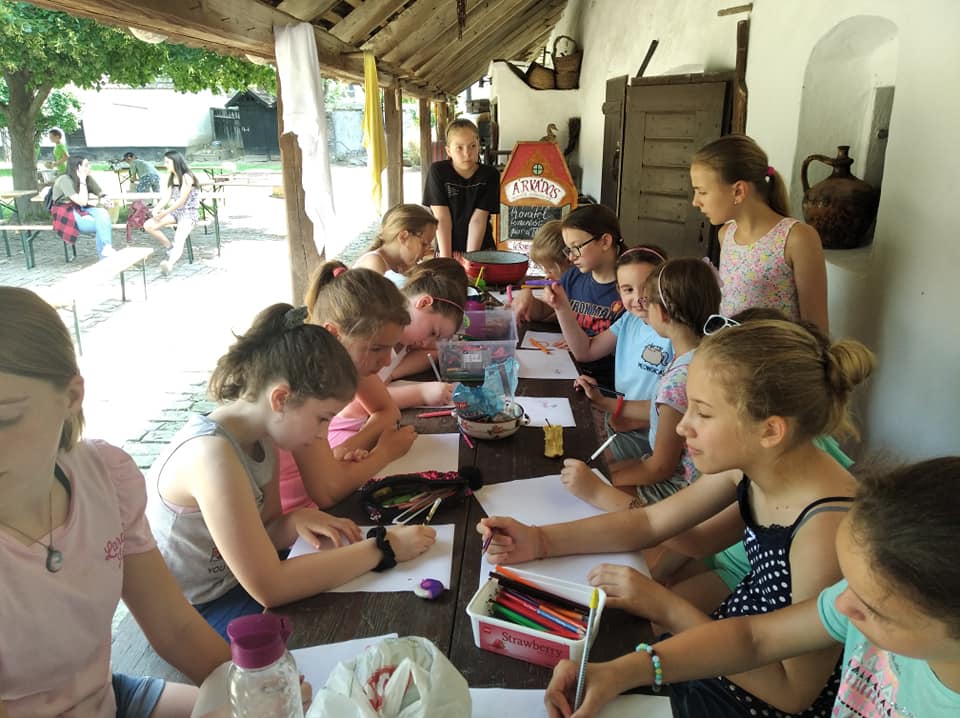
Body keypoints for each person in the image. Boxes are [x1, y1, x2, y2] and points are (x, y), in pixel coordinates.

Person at [480, 318, 875, 718]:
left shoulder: (827, 529)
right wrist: (539, 539)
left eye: (702, 413)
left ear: (770, 430)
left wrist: (665, 607)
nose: (683, 426)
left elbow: (791, 691)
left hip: (759, 692)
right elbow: (651, 523)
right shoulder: (756, 463)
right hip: (725, 644)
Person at [544, 457, 960, 718]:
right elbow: (754, 638)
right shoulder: (856, 603)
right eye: (849, 584)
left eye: (874, 609)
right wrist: (620, 671)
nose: (841, 604)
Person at [0, 286, 231, 718]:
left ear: (71, 398)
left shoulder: (104, 477)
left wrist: (256, 688)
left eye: (4, 418)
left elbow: (174, 627)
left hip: (106, 697)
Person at [148, 302, 435, 637]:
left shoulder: (261, 437)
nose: (323, 434)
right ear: (281, 399)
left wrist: (294, 519)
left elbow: (268, 529)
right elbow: (270, 587)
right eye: (322, 418)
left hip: (241, 583)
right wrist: (382, 548)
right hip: (201, 610)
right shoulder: (212, 456)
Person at [558, 257, 720, 509]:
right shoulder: (695, 356)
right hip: (664, 467)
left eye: (648, 300)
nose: (640, 304)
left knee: (584, 493)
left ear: (661, 313)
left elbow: (661, 468)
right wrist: (603, 401)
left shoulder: (679, 378)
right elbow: (660, 410)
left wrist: (605, 479)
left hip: (678, 487)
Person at [277, 264, 420, 513]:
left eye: (391, 347)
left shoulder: (348, 359)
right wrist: (384, 452)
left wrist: (347, 447)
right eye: (377, 349)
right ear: (334, 334)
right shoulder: (308, 384)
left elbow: (388, 411)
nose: (388, 360)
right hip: (294, 511)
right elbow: (328, 492)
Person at [545, 245, 670, 464]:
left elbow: (679, 402)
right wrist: (562, 308)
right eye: (628, 290)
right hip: (622, 418)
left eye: (646, 288)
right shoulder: (630, 319)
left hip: (653, 432)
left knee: (584, 460)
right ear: (618, 291)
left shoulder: (675, 332)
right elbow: (585, 351)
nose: (638, 298)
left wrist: (631, 418)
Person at [691, 134, 829, 333]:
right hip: (731, 349)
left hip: (777, 352)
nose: (695, 202)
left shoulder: (797, 238)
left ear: (738, 191)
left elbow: (816, 328)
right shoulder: (726, 235)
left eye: (702, 192)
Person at [512, 204, 625, 388]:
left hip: (606, 385)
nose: (571, 258)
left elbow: (596, 349)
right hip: (568, 369)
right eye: (568, 250)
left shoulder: (628, 291)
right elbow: (548, 312)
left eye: (576, 248)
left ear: (605, 242)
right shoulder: (574, 277)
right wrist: (528, 300)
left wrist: (578, 337)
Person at [423, 118, 500, 257]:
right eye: (459, 147)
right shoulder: (438, 171)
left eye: (472, 146)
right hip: (447, 248)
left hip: (481, 250)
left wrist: (471, 260)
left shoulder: (490, 175)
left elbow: (478, 220)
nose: (467, 153)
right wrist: (447, 260)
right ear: (448, 151)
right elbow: (442, 218)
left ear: (479, 146)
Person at [143, 150, 201, 276]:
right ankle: (170, 248)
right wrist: (156, 209)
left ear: (176, 162)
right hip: (176, 212)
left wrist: (165, 213)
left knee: (179, 238)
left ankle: (169, 264)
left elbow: (181, 200)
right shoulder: (171, 177)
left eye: (167, 162)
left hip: (189, 213)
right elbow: (166, 197)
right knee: (148, 225)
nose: (165, 165)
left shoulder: (187, 177)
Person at [353, 203, 439, 285]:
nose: (428, 249)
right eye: (424, 244)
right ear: (403, 237)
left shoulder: (402, 266)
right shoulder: (374, 262)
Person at [50, 154, 116, 259]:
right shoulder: (64, 180)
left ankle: (107, 247)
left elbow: (99, 192)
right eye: (86, 165)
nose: (90, 167)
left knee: (103, 213)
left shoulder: (88, 178)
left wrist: (104, 198)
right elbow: (82, 202)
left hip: (81, 208)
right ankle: (105, 258)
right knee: (102, 225)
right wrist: (82, 180)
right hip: (66, 211)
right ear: (78, 168)